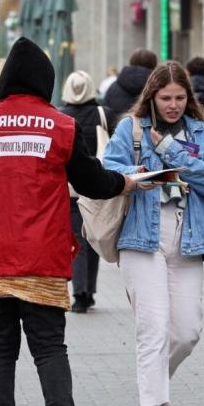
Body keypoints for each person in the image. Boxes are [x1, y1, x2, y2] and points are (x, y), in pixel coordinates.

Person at [0, 37, 136, 406]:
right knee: (49, 348)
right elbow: (91, 183)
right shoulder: (61, 126)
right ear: (47, 82)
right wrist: (124, 183)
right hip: (41, 256)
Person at [103, 61, 204, 406]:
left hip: (187, 238)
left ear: (189, 98)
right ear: (151, 97)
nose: (172, 104)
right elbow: (109, 169)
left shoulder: (199, 132)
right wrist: (131, 179)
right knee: (153, 328)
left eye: (179, 97)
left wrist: (170, 150)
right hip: (141, 236)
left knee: (187, 331)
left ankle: (152, 384)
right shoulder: (131, 129)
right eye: (165, 97)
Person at [59, 70, 118, 313]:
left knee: (78, 238)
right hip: (96, 185)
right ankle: (89, 291)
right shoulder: (104, 114)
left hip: (70, 189)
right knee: (93, 236)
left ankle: (80, 293)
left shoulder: (60, 116)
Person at [104, 49, 157, 115]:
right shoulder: (158, 87)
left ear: (131, 62)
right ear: (154, 64)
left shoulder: (113, 88)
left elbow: (107, 113)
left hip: (116, 124)